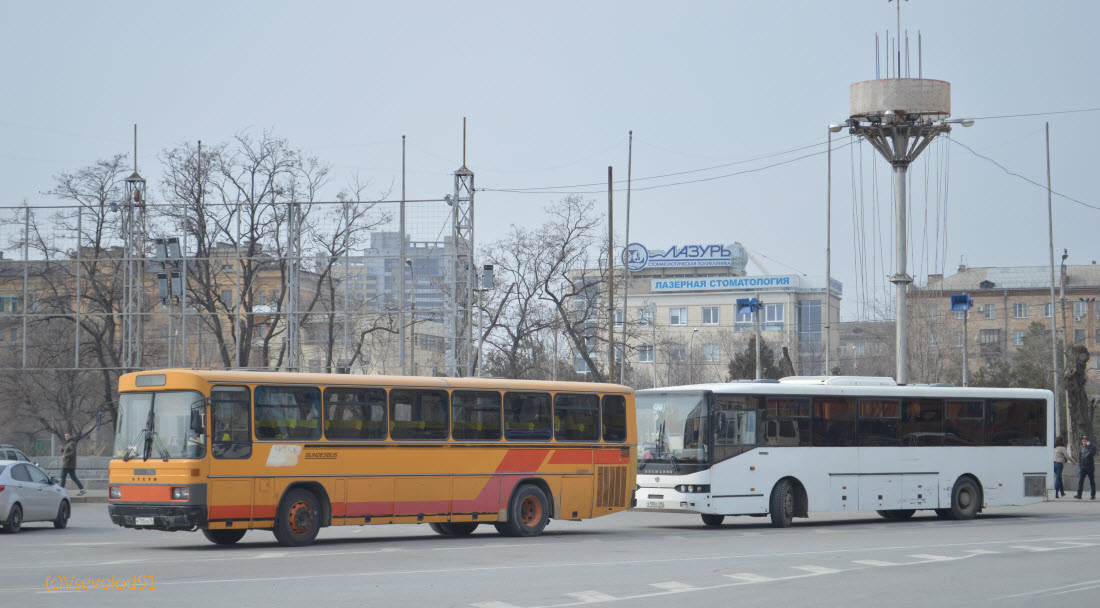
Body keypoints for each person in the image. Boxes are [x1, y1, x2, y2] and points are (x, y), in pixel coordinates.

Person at [60, 432, 86, 496]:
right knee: (73, 477)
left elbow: (73, 453)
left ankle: (61, 491)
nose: (66, 437)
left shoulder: (72, 443)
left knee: (63, 477)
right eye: (65, 436)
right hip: (69, 464)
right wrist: (62, 449)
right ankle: (82, 489)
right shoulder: (68, 443)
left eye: (67, 436)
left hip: (68, 464)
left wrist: (65, 456)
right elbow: (67, 451)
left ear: (70, 436)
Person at [1075, 436, 1097, 500]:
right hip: (1083, 467)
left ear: (1088, 441)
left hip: (1090, 467)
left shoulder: (1092, 446)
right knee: (1080, 481)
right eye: (1083, 441)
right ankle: (1079, 495)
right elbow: (1080, 457)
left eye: (1085, 441)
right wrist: (1080, 467)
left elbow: (1092, 453)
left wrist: (1089, 446)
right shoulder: (1081, 447)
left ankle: (1093, 495)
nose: (1083, 442)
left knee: (1092, 481)